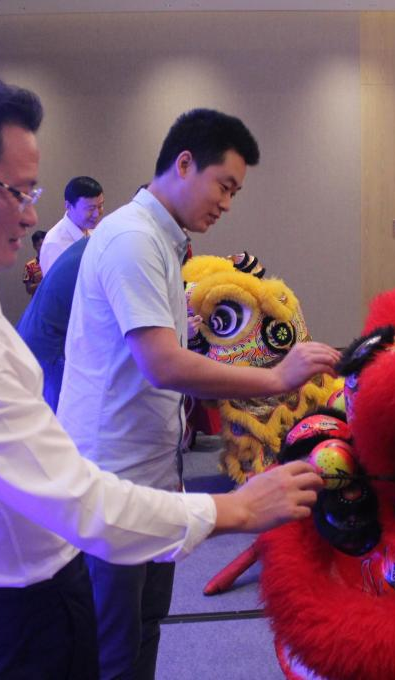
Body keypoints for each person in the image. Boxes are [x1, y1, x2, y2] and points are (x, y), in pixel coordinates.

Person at [0, 75, 325, 680]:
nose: (30, 214)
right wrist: (235, 508)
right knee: (118, 649)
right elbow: (83, 497)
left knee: (137, 633)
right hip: (18, 605)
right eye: (16, 191)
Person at [58, 108, 341, 680]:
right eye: (224, 186)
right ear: (184, 164)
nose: (227, 203)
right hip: (113, 475)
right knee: (115, 648)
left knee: (145, 627)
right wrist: (276, 378)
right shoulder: (133, 239)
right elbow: (162, 364)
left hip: (150, 471)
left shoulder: (162, 239)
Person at [17, 235, 87, 411]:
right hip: (47, 343)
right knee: (59, 410)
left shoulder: (89, 246)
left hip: (38, 334)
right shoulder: (93, 253)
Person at [39, 176, 104, 274]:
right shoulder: (54, 244)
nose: (97, 214)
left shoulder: (95, 231)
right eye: (90, 208)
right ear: (68, 206)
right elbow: (59, 284)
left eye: (100, 206)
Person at [22, 229, 46, 295]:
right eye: (40, 245)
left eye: (45, 244)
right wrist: (44, 283)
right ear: (34, 247)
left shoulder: (54, 261)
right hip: (39, 300)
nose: (43, 247)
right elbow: (28, 289)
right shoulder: (29, 266)